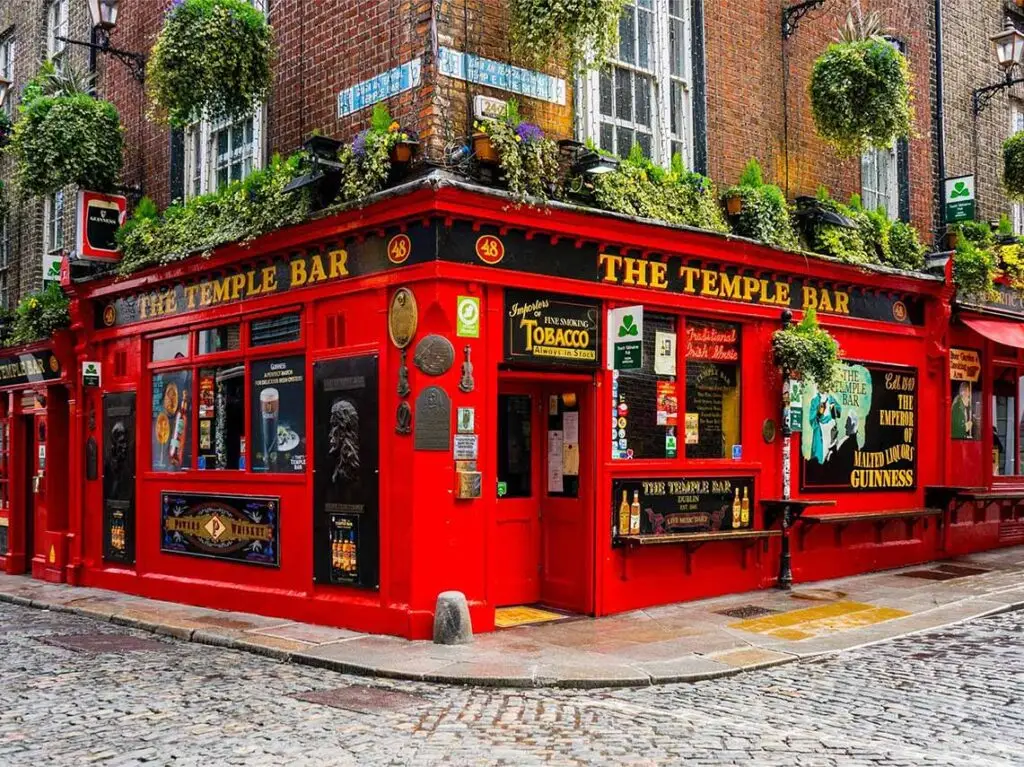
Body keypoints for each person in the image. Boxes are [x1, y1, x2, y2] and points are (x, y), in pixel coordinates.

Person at [808, 391, 842, 464]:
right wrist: (820, 412)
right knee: (819, 458)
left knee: (831, 457)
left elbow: (838, 413)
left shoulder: (831, 398)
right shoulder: (815, 401)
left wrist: (833, 407)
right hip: (820, 432)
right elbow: (813, 422)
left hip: (831, 430)